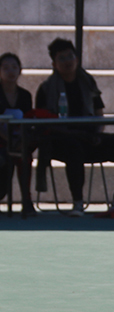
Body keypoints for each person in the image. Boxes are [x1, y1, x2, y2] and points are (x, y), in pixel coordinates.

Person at [35, 38, 114, 217]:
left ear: (77, 59)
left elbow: (98, 112)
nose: (67, 61)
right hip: (59, 141)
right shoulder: (46, 89)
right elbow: (43, 123)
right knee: (74, 148)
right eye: (61, 58)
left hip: (90, 138)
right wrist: (75, 134)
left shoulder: (87, 82)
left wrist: (97, 134)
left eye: (70, 56)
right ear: (54, 64)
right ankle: (78, 202)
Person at [0, 52, 36, 217]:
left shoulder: (25, 95)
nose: (11, 71)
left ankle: (26, 201)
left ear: (20, 70)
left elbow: (28, 120)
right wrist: (7, 139)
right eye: (6, 68)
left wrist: (21, 140)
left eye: (14, 67)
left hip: (19, 140)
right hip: (1, 141)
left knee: (25, 157)